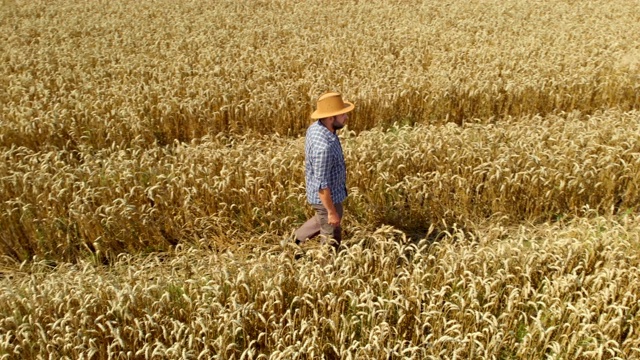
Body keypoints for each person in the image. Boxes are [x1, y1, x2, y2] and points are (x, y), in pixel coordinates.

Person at [294, 92, 354, 249]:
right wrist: (331, 211)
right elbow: (322, 184)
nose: (346, 118)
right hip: (327, 196)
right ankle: (326, 267)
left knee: (319, 220)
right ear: (330, 118)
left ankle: (293, 242)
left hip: (328, 194)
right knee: (331, 235)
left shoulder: (316, 128)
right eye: (342, 115)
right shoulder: (324, 148)